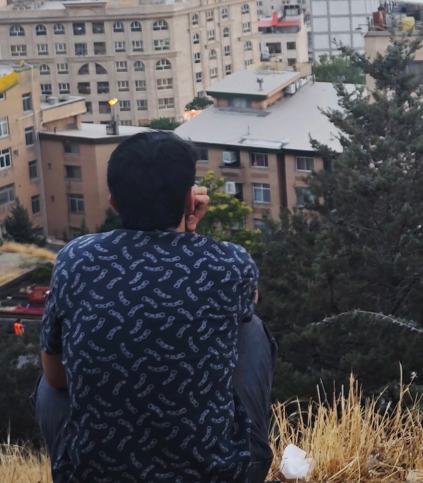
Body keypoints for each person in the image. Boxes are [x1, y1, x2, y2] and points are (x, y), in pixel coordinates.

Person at [34, 131, 275, 483]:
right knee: (250, 329)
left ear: (114, 202)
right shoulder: (228, 264)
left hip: (95, 477)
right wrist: (189, 234)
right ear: (190, 199)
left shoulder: (76, 260)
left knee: (48, 385)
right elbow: (247, 303)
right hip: (218, 476)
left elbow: (56, 376)